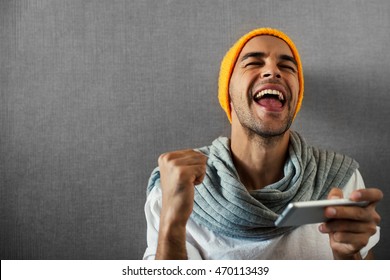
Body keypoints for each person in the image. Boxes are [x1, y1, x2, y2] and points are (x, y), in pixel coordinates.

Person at [143, 27, 383, 260]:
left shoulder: (341, 180)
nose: (273, 71)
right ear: (227, 92)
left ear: (296, 97)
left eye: (287, 66)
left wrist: (348, 255)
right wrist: (172, 222)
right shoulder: (177, 182)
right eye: (254, 62)